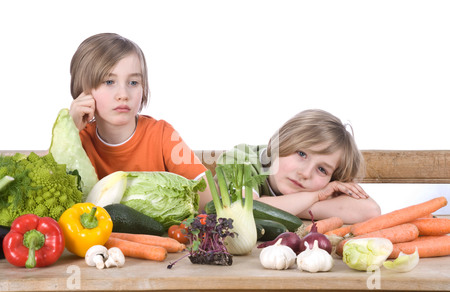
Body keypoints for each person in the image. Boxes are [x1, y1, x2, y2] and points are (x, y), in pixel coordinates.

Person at [68, 33, 211, 209]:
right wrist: (68, 130)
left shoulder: (162, 135)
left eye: (133, 83)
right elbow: (44, 185)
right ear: (83, 91)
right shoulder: (77, 139)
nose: (123, 95)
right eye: (109, 81)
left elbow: (206, 195)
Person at [217, 109, 381, 224]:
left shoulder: (324, 187)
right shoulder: (241, 158)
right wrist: (314, 197)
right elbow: (245, 209)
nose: (305, 173)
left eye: (322, 169)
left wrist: (278, 204)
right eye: (301, 154)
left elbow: (370, 211)